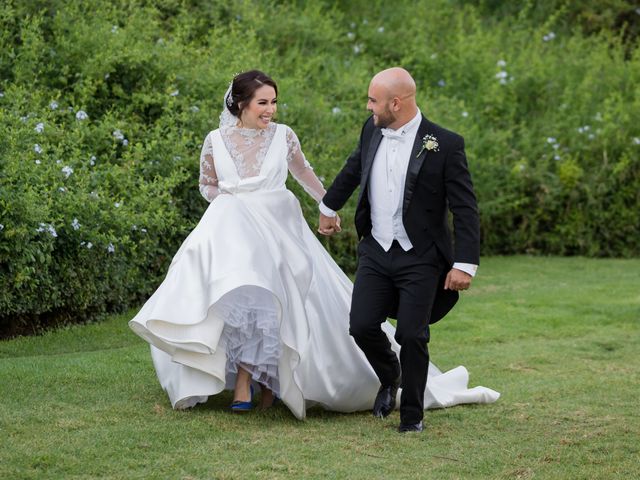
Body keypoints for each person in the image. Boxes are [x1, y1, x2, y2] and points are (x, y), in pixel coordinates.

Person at [129, 70, 499, 420]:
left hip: (282, 227)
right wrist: (231, 206)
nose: (271, 110)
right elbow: (207, 184)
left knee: (286, 300)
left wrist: (326, 205)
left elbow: (304, 172)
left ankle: (282, 381)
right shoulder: (216, 140)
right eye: (263, 103)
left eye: (274, 102)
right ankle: (246, 379)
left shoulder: (285, 135)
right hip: (232, 230)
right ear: (240, 104)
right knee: (238, 298)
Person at [319, 67, 484, 432]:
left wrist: (465, 263)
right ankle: (389, 376)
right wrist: (328, 207)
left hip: (420, 256)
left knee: (412, 334)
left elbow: (465, 208)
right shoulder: (372, 130)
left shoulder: (445, 144)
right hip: (376, 249)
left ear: (396, 103)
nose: (368, 107)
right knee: (361, 325)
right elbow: (353, 168)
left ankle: (412, 417)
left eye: (373, 100)